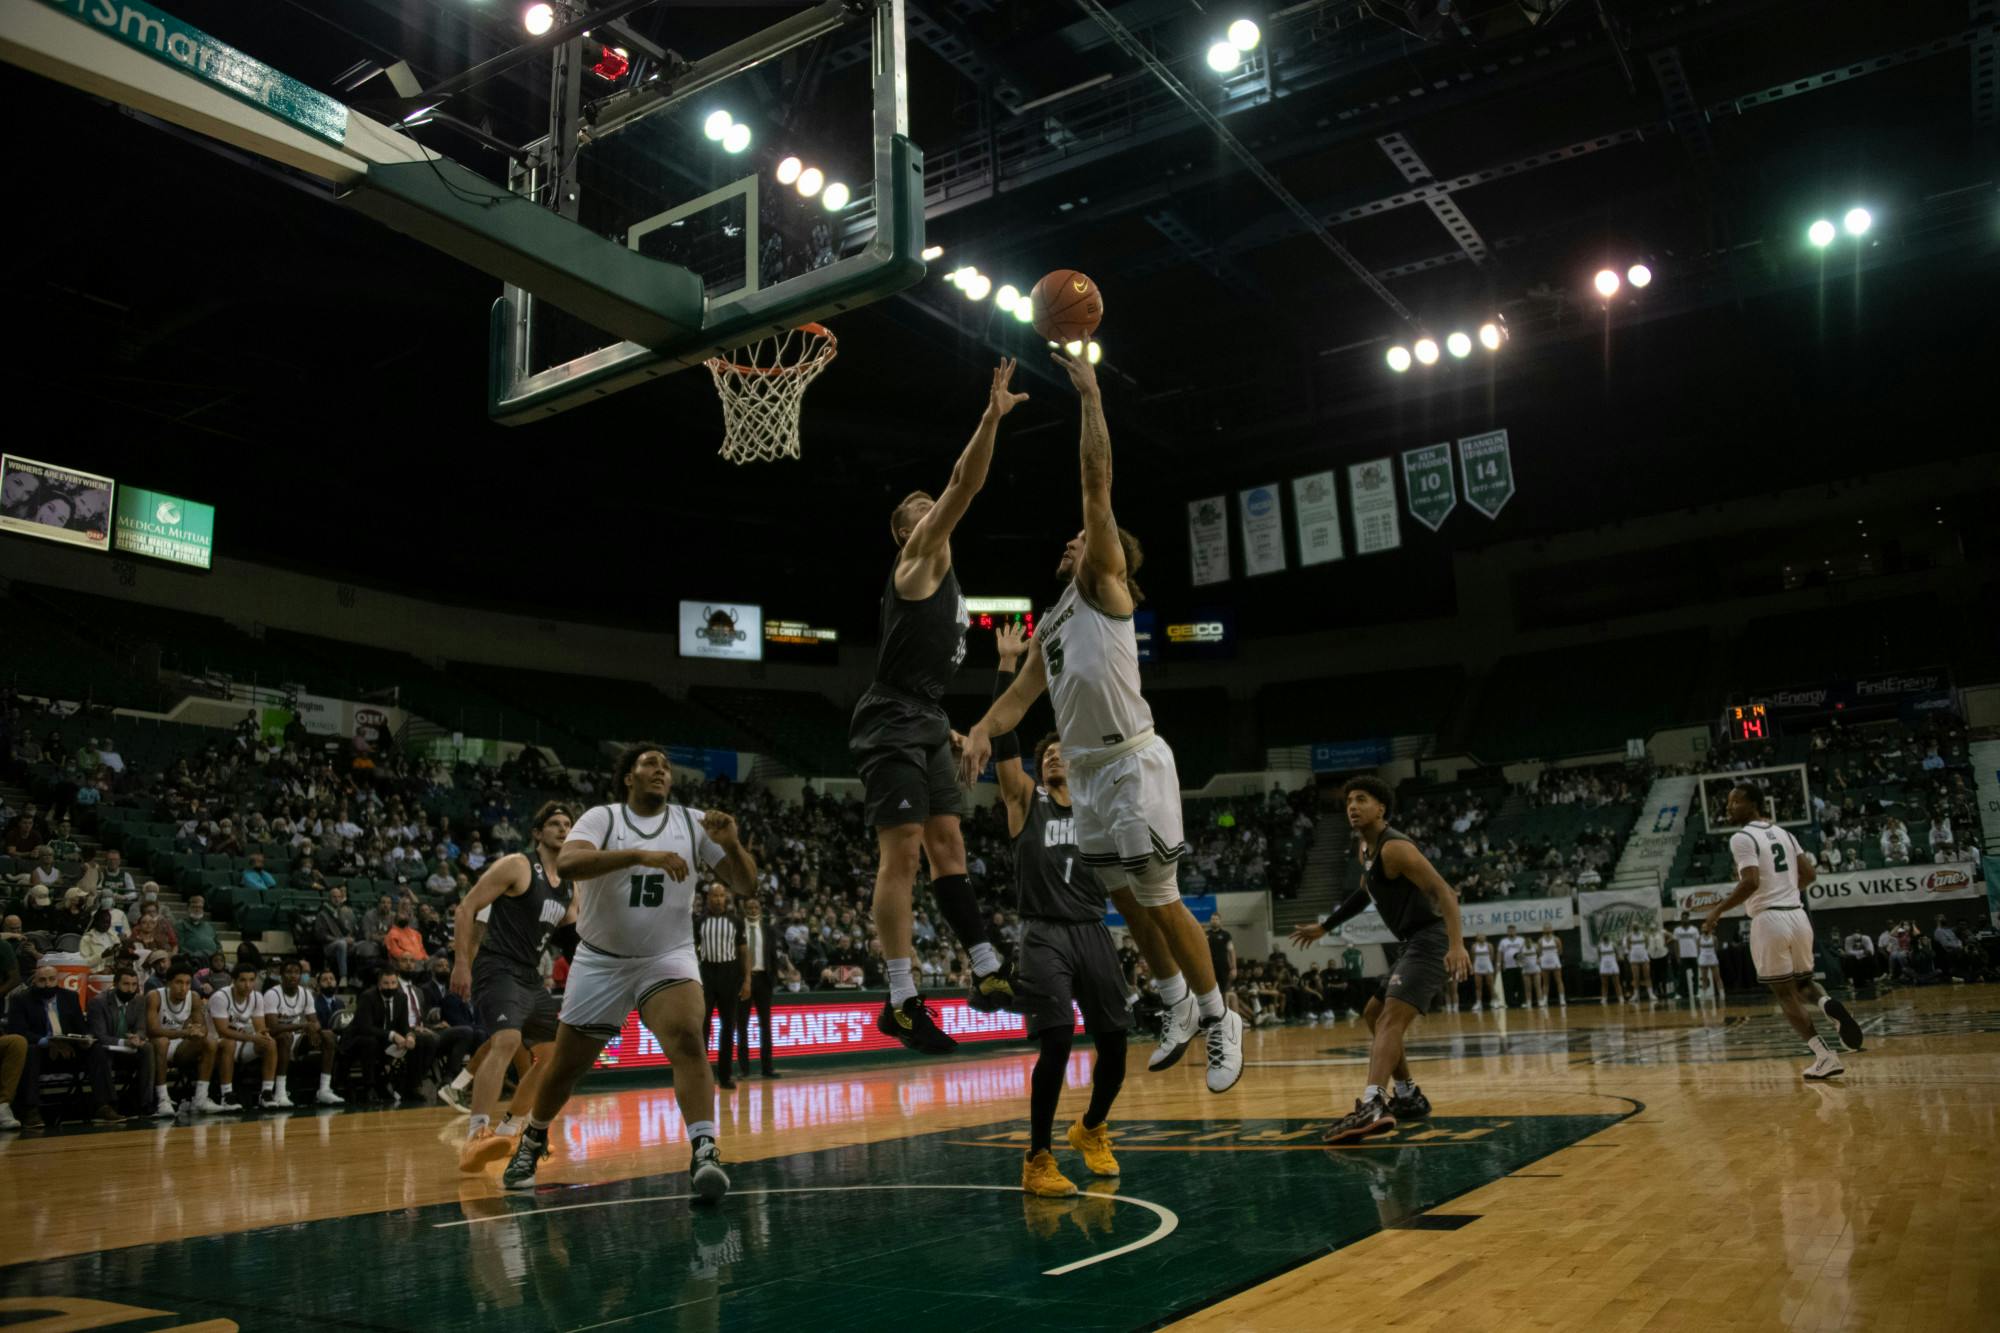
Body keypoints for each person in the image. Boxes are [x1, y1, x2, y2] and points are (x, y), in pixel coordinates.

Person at [961, 348, 1243, 1093]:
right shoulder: (1054, 620)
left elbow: (1095, 485)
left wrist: (1089, 396)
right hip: (1085, 772)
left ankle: (1221, 1016)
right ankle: (1176, 997)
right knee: (1118, 894)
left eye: (1085, 537)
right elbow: (1020, 698)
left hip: (1131, 761)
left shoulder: (1104, 584)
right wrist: (984, 731)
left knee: (1159, 895)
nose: (1074, 540)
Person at [849, 359, 1032, 1054]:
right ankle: (900, 997)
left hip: (923, 715)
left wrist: (952, 727)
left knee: (949, 846)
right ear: (905, 532)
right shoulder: (917, 560)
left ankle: (986, 969)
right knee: (899, 853)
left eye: (931, 507)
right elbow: (966, 482)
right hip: (890, 715)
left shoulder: (950, 583)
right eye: (918, 510)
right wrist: (991, 416)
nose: (933, 511)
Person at [502, 744, 757, 1202]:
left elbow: (745, 884)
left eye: (665, 766)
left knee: (687, 1036)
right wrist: (641, 856)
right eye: (649, 764)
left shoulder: (691, 821)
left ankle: (704, 1150)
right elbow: (568, 863)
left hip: (667, 955)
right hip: (601, 960)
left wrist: (733, 843)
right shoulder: (604, 818)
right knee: (565, 1067)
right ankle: (533, 1138)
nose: (661, 770)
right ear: (629, 777)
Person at [991, 716, 1132, 1196]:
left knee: (1116, 1045)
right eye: (1046, 752)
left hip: (1093, 927)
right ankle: (1037, 1159)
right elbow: (1005, 753)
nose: (1053, 754)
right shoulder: (1028, 802)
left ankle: (1090, 1128)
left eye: (1061, 750)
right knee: (1056, 1043)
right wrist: (1009, 669)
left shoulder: (1097, 808)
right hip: (1043, 931)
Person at [1293, 778, 1469, 1143]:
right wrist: (1326, 927)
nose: (1352, 807)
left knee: (1388, 1017)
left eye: (1361, 799)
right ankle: (1406, 1094)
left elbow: (1445, 892)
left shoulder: (1395, 848)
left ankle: (1373, 1102)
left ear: (1381, 809)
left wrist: (1456, 945)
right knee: (1372, 1014)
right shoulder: (1365, 850)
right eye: (1348, 802)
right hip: (1411, 944)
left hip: (1430, 940)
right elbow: (1364, 893)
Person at [1702, 783, 1864, 1079]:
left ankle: (1824, 1056)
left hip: (1769, 921)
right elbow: (1810, 875)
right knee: (1805, 985)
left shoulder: (1742, 837)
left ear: (1753, 804)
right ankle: (1828, 1004)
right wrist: (1785, 890)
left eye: (1734, 802)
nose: (1728, 808)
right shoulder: (1786, 833)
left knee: (1785, 994)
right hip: (1798, 916)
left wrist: (1717, 911)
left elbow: (1750, 882)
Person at [451, 801, 575, 1171]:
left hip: (529, 976)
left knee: (556, 1056)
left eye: (568, 824)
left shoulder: (569, 885)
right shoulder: (518, 865)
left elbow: (575, 942)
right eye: (554, 823)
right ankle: (477, 1134)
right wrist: (461, 962)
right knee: (505, 1040)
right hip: (496, 966)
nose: (563, 829)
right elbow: (465, 908)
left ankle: (511, 1127)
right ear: (537, 833)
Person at [8, 964, 121, 1127]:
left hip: (69, 1049)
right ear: (34, 981)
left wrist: (85, 1039)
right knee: (30, 1051)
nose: (47, 984)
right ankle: (30, 1110)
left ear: (58, 980)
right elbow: (18, 1031)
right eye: (42, 980)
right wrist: (48, 1042)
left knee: (95, 1050)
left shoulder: (69, 997)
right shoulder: (20, 999)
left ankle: (103, 1105)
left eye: (51, 979)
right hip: (41, 1051)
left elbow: (81, 1027)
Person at [345, 967, 437, 1103]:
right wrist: (392, 1035)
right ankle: (370, 1088)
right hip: (359, 1039)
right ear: (379, 984)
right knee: (370, 1042)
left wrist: (410, 1036)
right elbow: (365, 1027)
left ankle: (411, 1087)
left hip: (385, 1039)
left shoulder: (401, 997)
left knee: (423, 1041)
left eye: (393, 983)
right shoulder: (367, 997)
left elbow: (404, 1025)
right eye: (386, 983)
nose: (390, 987)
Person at [263, 960, 343, 1105]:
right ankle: (280, 1092)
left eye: (296, 972)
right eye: (289, 972)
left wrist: (314, 1029)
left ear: (300, 976)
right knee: (285, 1037)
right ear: (281, 975)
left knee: (328, 1036)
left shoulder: (305, 994)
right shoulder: (272, 994)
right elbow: (273, 1028)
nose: (293, 976)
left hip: (295, 1037)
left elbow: (314, 1021)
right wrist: (303, 1025)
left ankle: (324, 1090)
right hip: (274, 1039)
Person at [146, 962, 222, 1115]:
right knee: (162, 1041)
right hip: (156, 1047)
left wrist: (198, 1032)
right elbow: (153, 1030)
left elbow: (202, 1028)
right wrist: (185, 1033)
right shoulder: (154, 996)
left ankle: (200, 1099)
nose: (184, 987)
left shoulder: (193, 997)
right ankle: (163, 1100)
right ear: (168, 983)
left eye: (187, 983)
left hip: (180, 1047)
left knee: (210, 1042)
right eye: (179, 982)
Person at [695, 884, 748, 1090]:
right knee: (703, 1026)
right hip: (707, 976)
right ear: (708, 898)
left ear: (725, 899)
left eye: (721, 896)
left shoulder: (736, 921)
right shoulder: (699, 922)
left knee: (728, 1027)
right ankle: (702, 1076)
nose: (718, 899)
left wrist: (747, 980)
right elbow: (693, 951)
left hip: (729, 976)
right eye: (714, 896)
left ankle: (725, 1076)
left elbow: (743, 952)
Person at [208, 961, 280, 1109]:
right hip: (216, 1045)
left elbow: (260, 1029)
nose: (248, 985)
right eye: (243, 980)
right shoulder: (220, 997)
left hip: (242, 1043)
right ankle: (226, 1095)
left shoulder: (257, 997)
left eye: (251, 980)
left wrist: (261, 1036)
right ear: (233, 981)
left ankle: (266, 1093)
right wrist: (253, 1037)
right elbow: (223, 1031)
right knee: (229, 1042)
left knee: (269, 1042)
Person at [85, 965, 155, 1118]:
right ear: (115, 984)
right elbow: (100, 1035)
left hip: (127, 1050)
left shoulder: (138, 1001)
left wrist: (138, 1037)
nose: (130, 989)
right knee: (98, 1050)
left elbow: (142, 1028)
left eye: (134, 985)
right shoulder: (98, 1002)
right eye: (126, 984)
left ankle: (145, 1103)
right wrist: (125, 1042)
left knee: (147, 1048)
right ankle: (108, 1105)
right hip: (105, 1050)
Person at [734, 895, 781, 1080]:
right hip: (743, 981)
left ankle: (767, 1068)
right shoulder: (738, 929)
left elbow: (774, 957)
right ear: (744, 910)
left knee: (765, 1025)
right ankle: (744, 1069)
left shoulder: (769, 930)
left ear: (760, 909)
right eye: (749, 907)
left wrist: (773, 979)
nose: (753, 910)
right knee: (742, 1025)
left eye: (755, 907)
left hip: (763, 980)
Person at [1672, 915, 1702, 1002]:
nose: (1685, 919)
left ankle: (1696, 992)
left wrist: (1698, 954)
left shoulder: (1694, 929)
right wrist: (1677, 956)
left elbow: (1698, 942)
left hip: (1693, 955)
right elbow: (1676, 944)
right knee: (1682, 976)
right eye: (1683, 918)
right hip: (1682, 956)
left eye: (1686, 918)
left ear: (1689, 919)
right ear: (1681, 919)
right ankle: (1680, 993)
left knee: (1695, 975)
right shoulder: (1677, 930)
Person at [1497, 925, 1524, 1008]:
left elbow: (1524, 952)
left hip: (1519, 966)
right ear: (1507, 932)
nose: (1511, 932)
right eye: (1510, 930)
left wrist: (1523, 963)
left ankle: (1521, 1002)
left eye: (1513, 930)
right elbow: (1500, 953)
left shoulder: (1521, 940)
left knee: (1520, 985)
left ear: (1515, 931)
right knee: (1509, 985)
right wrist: (1499, 964)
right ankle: (1510, 1003)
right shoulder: (1503, 941)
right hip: (1508, 966)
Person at [1537, 928, 1565, 1007]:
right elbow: (1539, 952)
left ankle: (1562, 1000)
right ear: (1543, 930)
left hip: (1555, 962)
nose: (1547, 930)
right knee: (1545, 982)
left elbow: (1560, 951)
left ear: (1551, 929)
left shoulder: (1556, 939)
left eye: (1549, 928)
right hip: (1545, 963)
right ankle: (1545, 1001)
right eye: (1546, 928)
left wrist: (1553, 956)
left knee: (1559, 981)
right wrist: (1542, 958)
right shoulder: (1540, 940)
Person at [1469, 935, 1497, 1011]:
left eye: (1482, 936)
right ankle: (1478, 1003)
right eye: (1479, 936)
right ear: (1477, 937)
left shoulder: (1489, 945)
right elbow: (1472, 957)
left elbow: (1492, 957)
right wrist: (1474, 967)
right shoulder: (1474, 946)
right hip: (1478, 967)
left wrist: (1488, 965)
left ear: (1485, 937)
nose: (1481, 937)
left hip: (1487, 967)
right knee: (1478, 986)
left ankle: (1494, 1001)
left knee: (1490, 985)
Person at [1696, 923, 1722, 1001]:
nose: (1704, 928)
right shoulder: (1699, 938)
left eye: (1706, 927)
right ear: (1701, 929)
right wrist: (1699, 959)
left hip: (1712, 958)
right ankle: (1704, 995)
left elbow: (1716, 949)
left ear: (1709, 928)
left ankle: (1722, 994)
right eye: (1703, 927)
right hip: (1703, 958)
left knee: (1717, 978)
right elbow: (1698, 950)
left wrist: (1713, 956)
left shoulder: (1714, 938)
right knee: (1704, 978)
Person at [1596, 932, 1624, 1003]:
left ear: (1609, 937)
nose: (1605, 937)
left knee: (1616, 983)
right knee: (1604, 983)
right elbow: (1599, 957)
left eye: (1606, 936)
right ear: (1602, 938)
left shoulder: (1613, 945)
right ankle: (1604, 998)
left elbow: (1617, 955)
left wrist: (1615, 963)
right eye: (1604, 936)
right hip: (1604, 965)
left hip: (1613, 964)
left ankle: (1620, 997)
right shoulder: (1599, 946)